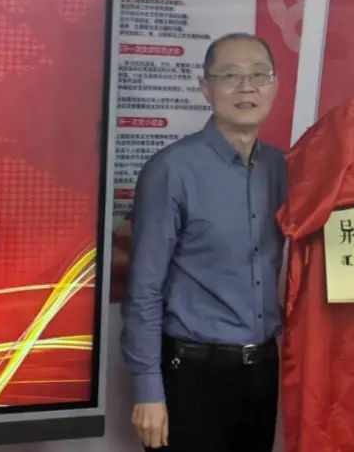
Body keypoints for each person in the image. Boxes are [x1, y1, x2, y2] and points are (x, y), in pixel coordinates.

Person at [121, 33, 287, 451]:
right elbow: (143, 288)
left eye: (259, 75)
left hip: (262, 371)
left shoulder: (280, 168)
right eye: (230, 76)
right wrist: (148, 388)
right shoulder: (172, 170)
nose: (247, 87)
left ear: (274, 86)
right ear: (205, 89)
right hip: (191, 376)